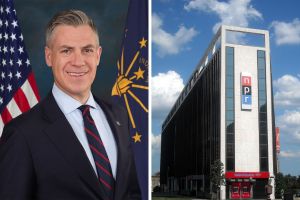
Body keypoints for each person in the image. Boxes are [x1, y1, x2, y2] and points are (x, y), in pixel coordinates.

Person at [0, 10, 141, 200]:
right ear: (49, 56)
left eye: (87, 50)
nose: (78, 62)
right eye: (66, 50)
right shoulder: (21, 133)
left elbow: (130, 192)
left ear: (98, 55)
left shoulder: (119, 116)